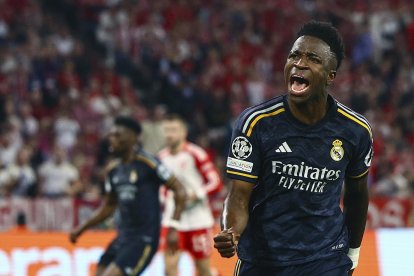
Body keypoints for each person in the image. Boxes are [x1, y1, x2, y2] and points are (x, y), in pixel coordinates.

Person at [213, 21, 373, 276]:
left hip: (326, 260)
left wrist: (353, 253)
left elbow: (357, 196)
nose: (299, 63)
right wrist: (231, 231)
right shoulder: (256, 123)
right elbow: (239, 195)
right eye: (294, 55)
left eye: (312, 59)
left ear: (331, 75)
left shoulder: (355, 130)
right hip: (263, 261)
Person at [69, 116, 186, 276]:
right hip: (123, 238)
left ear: (133, 138)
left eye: (118, 135)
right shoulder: (113, 170)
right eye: (111, 135)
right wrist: (82, 228)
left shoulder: (149, 163)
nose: (112, 139)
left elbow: (180, 190)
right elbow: (108, 206)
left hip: (143, 239)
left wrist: (174, 227)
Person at [159, 114, 223, 276]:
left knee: (203, 270)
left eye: (173, 130)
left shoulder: (196, 154)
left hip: (198, 221)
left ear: (183, 132)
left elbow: (215, 182)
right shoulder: (161, 158)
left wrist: (197, 194)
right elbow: (160, 188)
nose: (169, 134)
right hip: (173, 222)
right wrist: (166, 199)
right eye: (166, 130)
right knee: (169, 269)